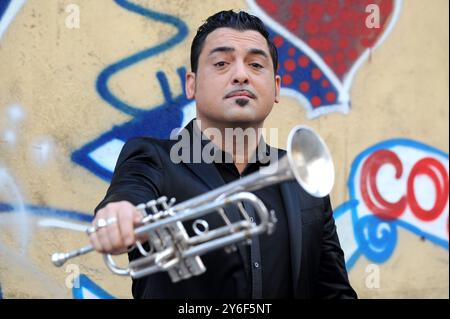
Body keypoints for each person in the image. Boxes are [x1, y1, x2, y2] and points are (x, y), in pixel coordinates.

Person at [91, 10, 357, 299]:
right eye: (221, 63)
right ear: (191, 84)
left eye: (256, 65)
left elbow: (335, 292)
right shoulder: (153, 158)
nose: (241, 75)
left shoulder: (303, 174)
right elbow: (129, 192)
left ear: (276, 87)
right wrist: (119, 214)